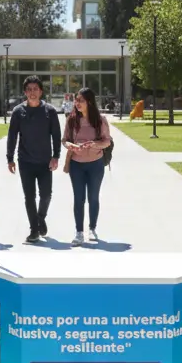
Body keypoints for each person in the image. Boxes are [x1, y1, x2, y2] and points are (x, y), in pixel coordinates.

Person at [6, 75, 61, 244]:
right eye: (29, 90)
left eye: (35, 89)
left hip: (45, 162)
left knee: (46, 196)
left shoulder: (49, 111)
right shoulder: (18, 112)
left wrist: (56, 156)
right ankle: (34, 231)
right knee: (29, 197)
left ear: (41, 91)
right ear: (25, 92)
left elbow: (56, 136)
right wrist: (10, 158)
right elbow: (12, 136)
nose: (32, 93)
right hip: (25, 162)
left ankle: (40, 218)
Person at [63, 87, 111, 247]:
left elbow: (107, 141)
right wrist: (71, 146)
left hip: (96, 164)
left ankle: (92, 228)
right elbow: (64, 140)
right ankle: (79, 232)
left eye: (80, 100)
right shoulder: (71, 119)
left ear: (89, 102)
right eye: (76, 100)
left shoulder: (100, 120)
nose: (77, 103)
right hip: (76, 165)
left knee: (93, 197)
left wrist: (94, 144)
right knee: (78, 198)